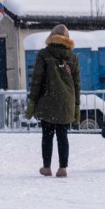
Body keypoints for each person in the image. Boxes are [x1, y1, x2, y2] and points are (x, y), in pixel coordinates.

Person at [26, 23, 81, 177]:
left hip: (47, 101)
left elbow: (37, 80)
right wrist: (76, 105)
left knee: (47, 136)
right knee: (63, 136)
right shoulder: (73, 57)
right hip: (66, 102)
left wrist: (32, 102)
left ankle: (47, 167)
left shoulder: (44, 54)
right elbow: (77, 84)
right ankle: (63, 168)